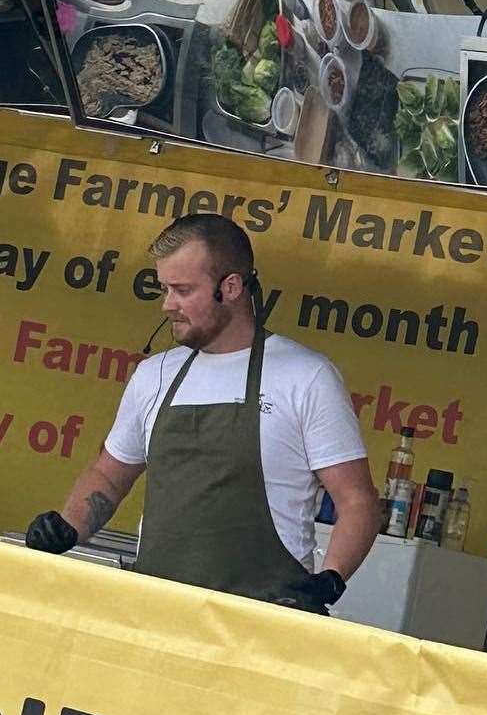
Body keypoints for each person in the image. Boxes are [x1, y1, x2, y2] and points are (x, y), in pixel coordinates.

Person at [26, 213, 377, 614]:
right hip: (156, 610)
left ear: (230, 287)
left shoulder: (306, 376)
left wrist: (329, 579)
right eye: (164, 289)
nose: (167, 305)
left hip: (264, 620)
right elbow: (109, 474)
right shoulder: (154, 375)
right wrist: (67, 527)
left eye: (182, 290)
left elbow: (357, 501)